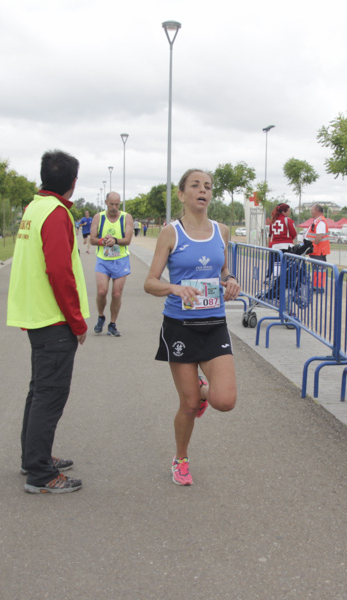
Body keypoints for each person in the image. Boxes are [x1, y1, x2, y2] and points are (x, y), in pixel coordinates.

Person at [144, 168, 240, 487]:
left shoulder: (222, 231)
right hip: (180, 327)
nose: (203, 190)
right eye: (195, 185)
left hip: (214, 324)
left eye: (208, 187)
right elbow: (150, 282)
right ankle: (181, 459)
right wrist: (175, 288)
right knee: (187, 405)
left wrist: (230, 282)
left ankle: (203, 390)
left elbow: (224, 271)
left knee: (224, 400)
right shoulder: (171, 233)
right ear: (182, 194)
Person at [6, 149, 89, 495]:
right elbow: (59, 272)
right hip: (53, 320)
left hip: (37, 315)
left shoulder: (34, 208)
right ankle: (39, 473)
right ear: (72, 182)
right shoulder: (56, 214)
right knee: (50, 395)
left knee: (39, 390)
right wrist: (78, 322)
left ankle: (33, 456)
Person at [90, 192, 134, 337]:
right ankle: (101, 316)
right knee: (102, 291)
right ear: (106, 202)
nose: (114, 207)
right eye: (111, 204)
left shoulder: (126, 217)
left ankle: (112, 324)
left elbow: (127, 239)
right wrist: (104, 241)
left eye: (117, 204)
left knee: (116, 293)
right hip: (103, 259)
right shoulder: (99, 217)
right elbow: (92, 239)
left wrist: (115, 240)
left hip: (121, 260)